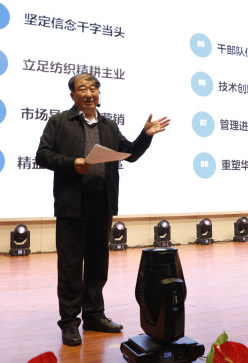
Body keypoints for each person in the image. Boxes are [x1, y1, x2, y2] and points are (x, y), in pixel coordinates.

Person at [36, 73, 170, 346]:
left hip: (102, 203)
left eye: (93, 89)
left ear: (99, 94)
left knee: (98, 264)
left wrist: (145, 136)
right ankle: (70, 323)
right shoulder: (59, 122)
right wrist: (72, 163)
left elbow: (130, 153)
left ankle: (94, 316)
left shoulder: (109, 125)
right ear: (73, 95)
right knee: (71, 267)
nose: (89, 94)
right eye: (82, 89)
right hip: (72, 204)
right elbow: (42, 155)